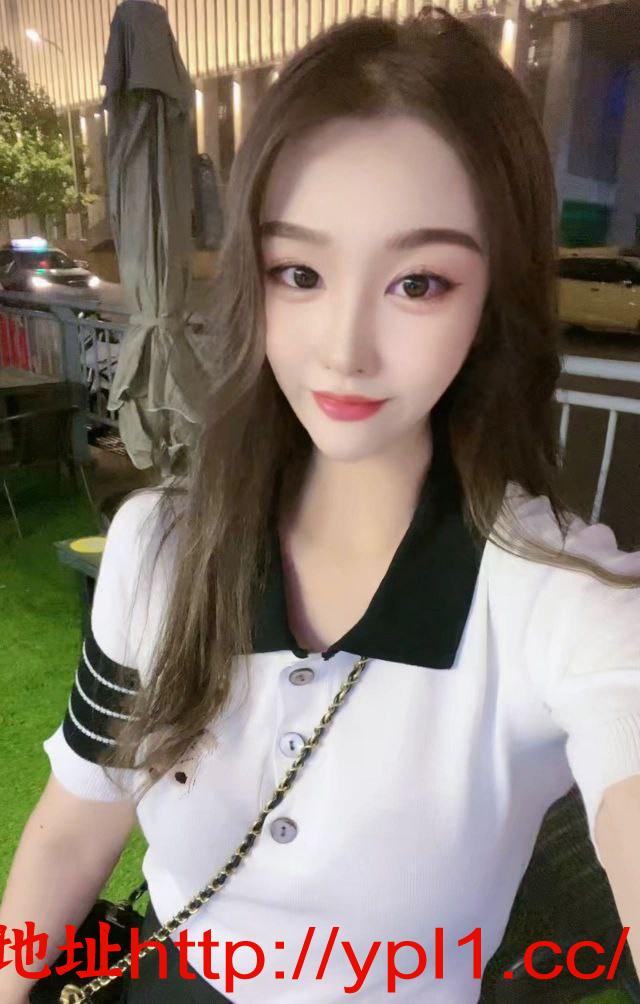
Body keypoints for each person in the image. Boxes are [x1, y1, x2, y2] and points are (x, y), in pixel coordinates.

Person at [2, 6, 640, 1002]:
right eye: (299, 272)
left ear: (492, 301)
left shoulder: (561, 596)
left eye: (418, 283)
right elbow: (74, 827)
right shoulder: (161, 546)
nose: (344, 349)